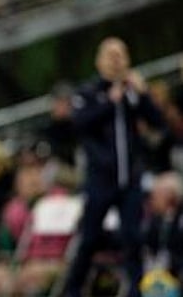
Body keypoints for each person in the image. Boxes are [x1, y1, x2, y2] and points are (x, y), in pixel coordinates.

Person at [64, 37, 167, 297]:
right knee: (89, 239)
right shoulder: (88, 93)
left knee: (133, 237)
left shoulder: (133, 93)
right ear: (99, 60)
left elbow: (157, 122)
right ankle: (72, 289)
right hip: (101, 180)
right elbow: (79, 124)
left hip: (129, 179)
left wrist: (143, 96)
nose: (116, 60)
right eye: (110, 55)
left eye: (121, 55)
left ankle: (137, 289)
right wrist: (109, 102)